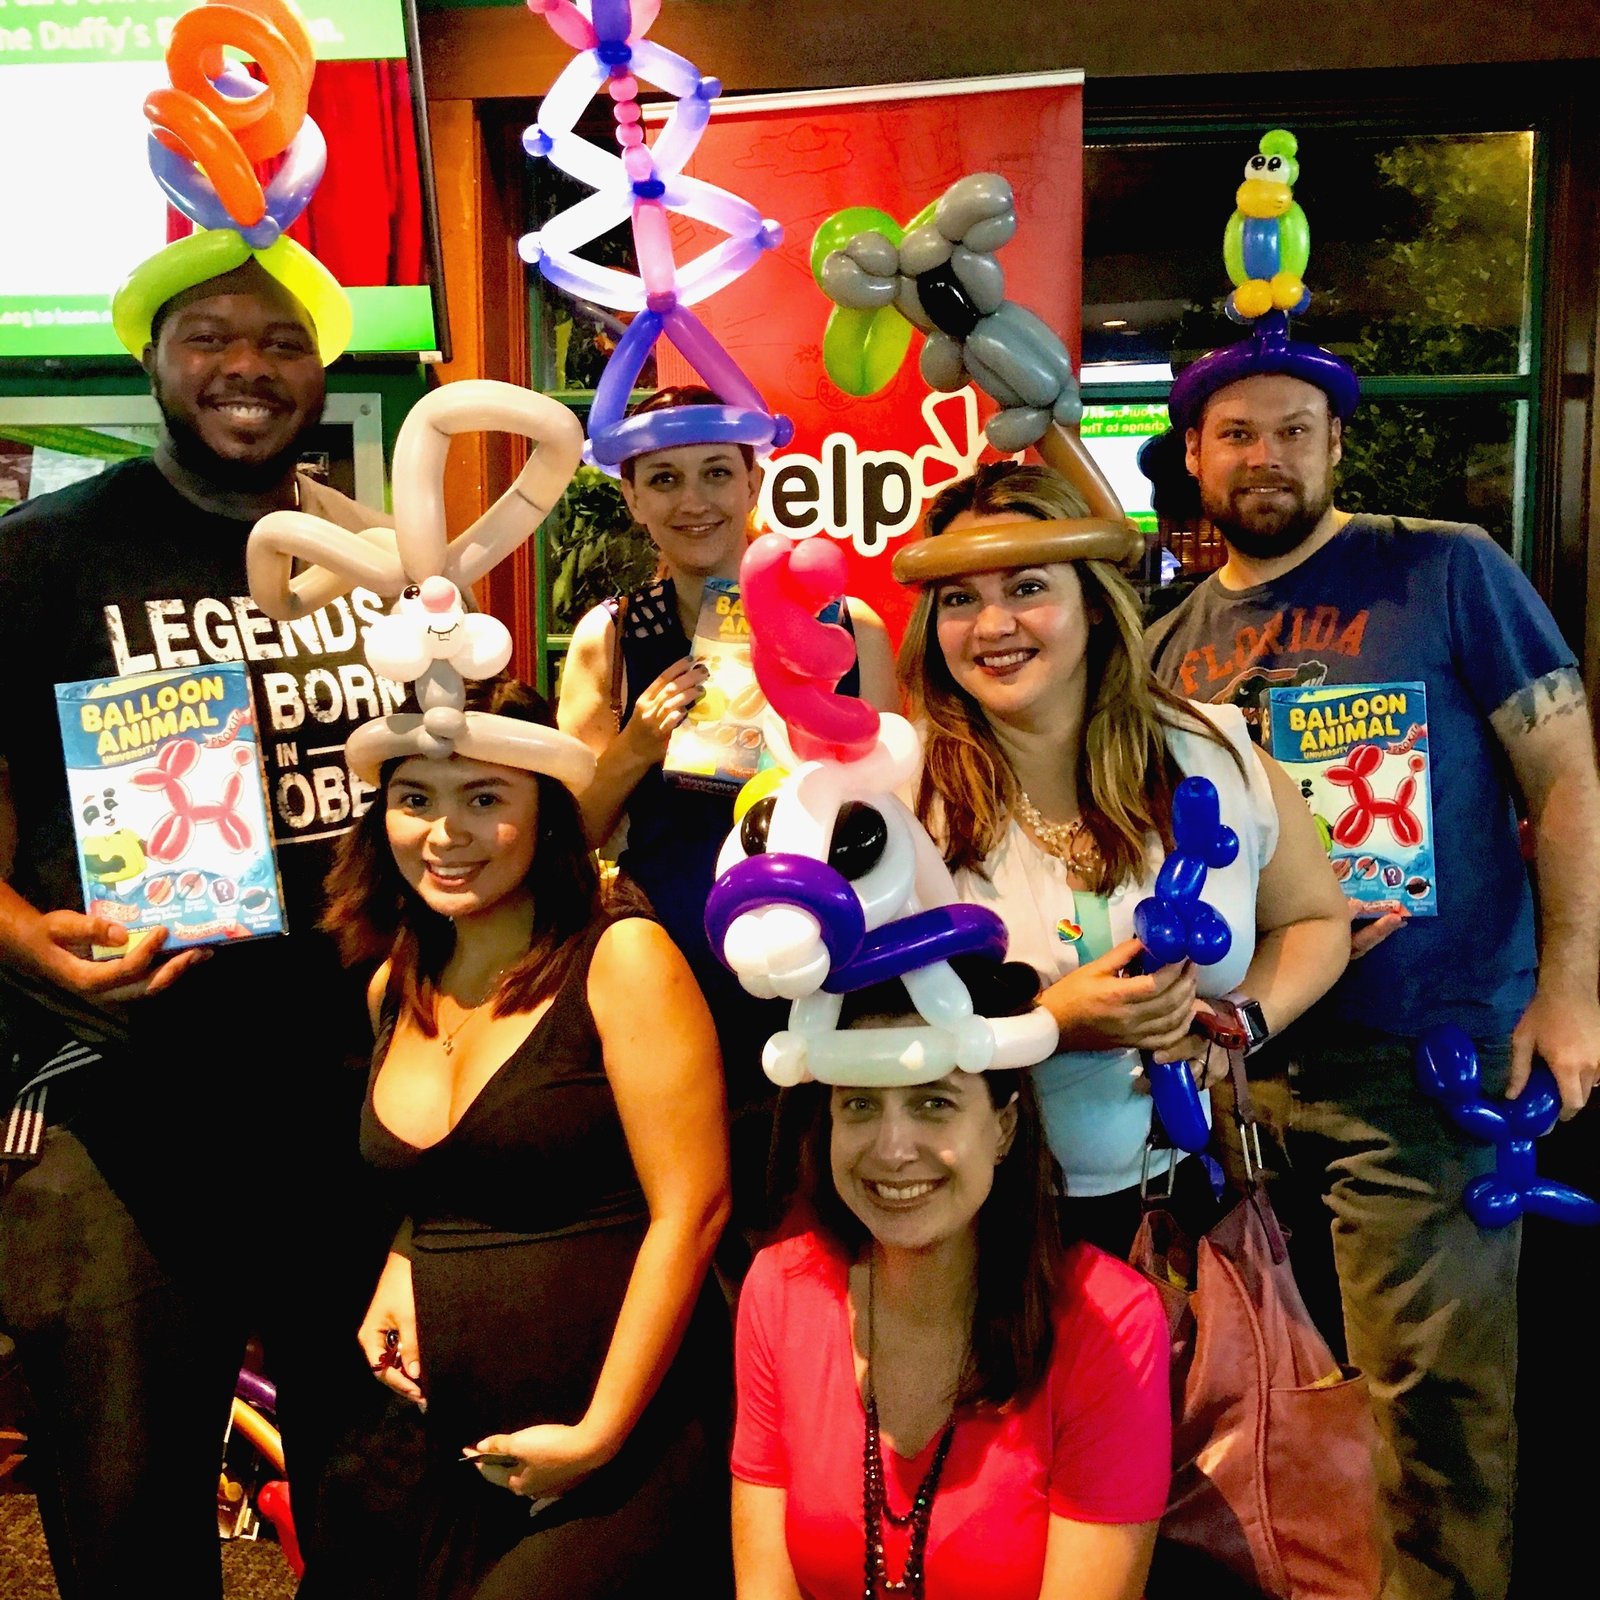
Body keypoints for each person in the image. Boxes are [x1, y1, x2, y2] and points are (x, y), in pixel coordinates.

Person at [1143, 324, 1600, 1600]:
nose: (1265, 455)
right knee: (1257, 1407)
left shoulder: (1446, 570)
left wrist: (1570, 989)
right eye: (1236, 433)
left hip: (1423, 1061)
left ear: (1336, 443)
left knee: (1434, 1416)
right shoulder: (1173, 643)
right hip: (1239, 1077)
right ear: (1194, 455)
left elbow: (1563, 776)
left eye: (1294, 430)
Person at [0, 257, 395, 1597]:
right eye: (211, 336)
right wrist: (20, 939)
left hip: (353, 1095)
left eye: (282, 340)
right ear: (153, 360)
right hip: (124, 1101)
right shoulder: (43, 555)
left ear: (321, 369)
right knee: (126, 1506)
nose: (248, 366)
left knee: (370, 1479)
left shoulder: (375, 563)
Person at [327, 677, 732, 1599]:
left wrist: (598, 1434)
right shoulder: (394, 986)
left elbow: (695, 1210)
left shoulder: (623, 958)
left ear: (546, 813)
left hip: (628, 1444)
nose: (444, 833)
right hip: (454, 1448)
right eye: (415, 800)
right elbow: (444, 1174)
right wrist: (403, 1256)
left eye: (483, 799)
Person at [895, 461, 1349, 1255]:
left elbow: (1313, 918)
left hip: (1181, 1213)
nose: (993, 625)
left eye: (1027, 587)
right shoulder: (898, 794)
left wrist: (1236, 1023)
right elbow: (864, 1025)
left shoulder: (1216, 754)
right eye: (960, 598)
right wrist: (1046, 1026)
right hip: (972, 1228)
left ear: (1095, 607)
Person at [557, 385, 897, 1233]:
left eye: (717, 472)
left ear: (754, 480)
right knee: (681, 1210)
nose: (694, 500)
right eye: (664, 480)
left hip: (821, 953)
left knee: (819, 1204)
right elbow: (568, 838)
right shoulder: (612, 635)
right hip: (668, 966)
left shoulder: (845, 624)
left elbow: (896, 810)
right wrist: (636, 745)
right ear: (631, 498)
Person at [731, 978, 1172, 1600]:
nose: (892, 1149)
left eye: (933, 1103)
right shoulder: (779, 1291)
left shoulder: (1111, 1323)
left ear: (1003, 1127)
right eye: (858, 1104)